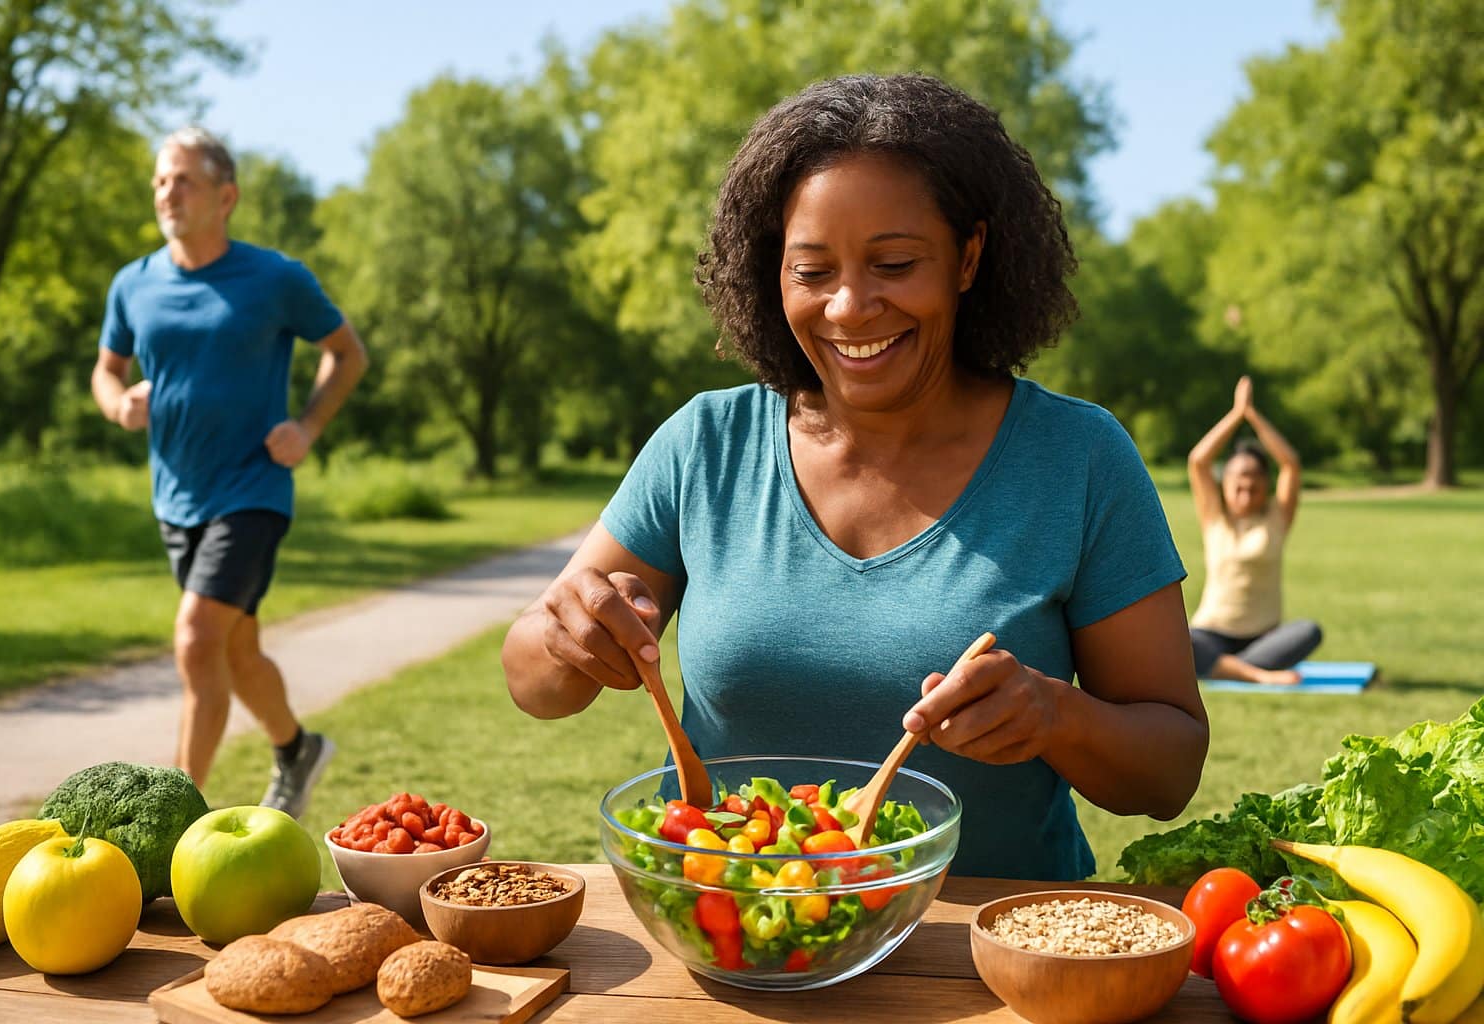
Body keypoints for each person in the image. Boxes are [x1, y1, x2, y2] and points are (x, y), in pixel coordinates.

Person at [502, 74, 1208, 880]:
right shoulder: (706, 445)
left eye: (894, 263)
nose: (849, 306)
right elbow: (532, 683)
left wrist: (1058, 717)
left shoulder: (1078, 457)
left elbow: (1169, 773)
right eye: (812, 272)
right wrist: (566, 639)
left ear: (968, 257)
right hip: (731, 928)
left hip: (990, 943)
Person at [91, 127, 368, 816]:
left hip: (253, 490)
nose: (167, 192)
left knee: (195, 638)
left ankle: (172, 814)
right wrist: (118, 404)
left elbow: (346, 352)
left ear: (226, 196)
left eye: (183, 180)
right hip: (176, 497)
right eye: (160, 181)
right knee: (237, 653)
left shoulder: (275, 278)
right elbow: (106, 369)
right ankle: (297, 749)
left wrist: (307, 426)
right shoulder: (134, 284)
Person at [1186, 376, 1322, 685]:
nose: (1245, 496)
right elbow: (1198, 461)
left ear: (1266, 488)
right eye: (1238, 487)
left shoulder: (1277, 516)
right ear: (1225, 486)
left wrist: (1254, 416)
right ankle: (1257, 675)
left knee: (1309, 631)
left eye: (1254, 488)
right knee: (1179, 638)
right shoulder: (1214, 517)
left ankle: (1226, 669)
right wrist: (1236, 414)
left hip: (1263, 640)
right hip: (1210, 634)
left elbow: (1290, 464)